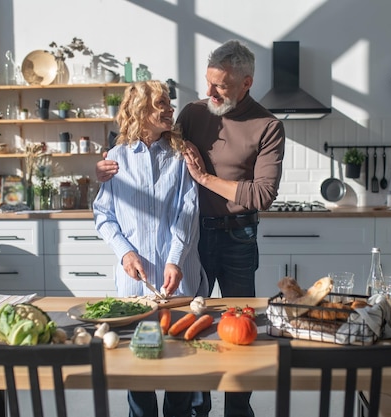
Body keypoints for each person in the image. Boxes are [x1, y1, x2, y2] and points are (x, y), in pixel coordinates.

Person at [96, 40, 285, 417]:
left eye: (221, 86)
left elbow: (262, 194)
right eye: (208, 82)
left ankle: (236, 410)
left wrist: (203, 177)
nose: (209, 93)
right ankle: (195, 411)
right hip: (195, 241)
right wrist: (97, 172)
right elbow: (141, 141)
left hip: (236, 237)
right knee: (190, 329)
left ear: (245, 83)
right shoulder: (195, 112)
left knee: (238, 329)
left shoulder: (268, 126)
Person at [93, 80, 208, 417]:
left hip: (181, 280)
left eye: (170, 103)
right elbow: (103, 215)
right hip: (134, 285)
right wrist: (125, 253)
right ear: (141, 111)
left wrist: (174, 260)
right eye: (162, 104)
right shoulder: (115, 158)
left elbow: (188, 210)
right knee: (138, 371)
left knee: (180, 368)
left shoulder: (180, 154)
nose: (171, 109)